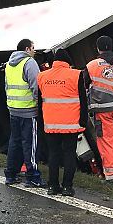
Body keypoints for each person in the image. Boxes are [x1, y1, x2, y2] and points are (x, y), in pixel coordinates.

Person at [37, 49, 88, 196]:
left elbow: (40, 101)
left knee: (53, 154)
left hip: (51, 123)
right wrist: (82, 121)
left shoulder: (42, 76)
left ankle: (52, 186)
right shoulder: (76, 74)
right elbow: (83, 100)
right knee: (69, 154)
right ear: (67, 62)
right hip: (71, 124)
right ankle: (67, 187)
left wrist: (42, 122)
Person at [83, 35, 113, 183]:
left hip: (102, 110)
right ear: (111, 46)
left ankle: (111, 176)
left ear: (98, 48)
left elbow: (84, 84)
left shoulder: (91, 66)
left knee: (106, 142)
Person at [3, 38, 46, 188]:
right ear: (27, 49)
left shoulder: (9, 64)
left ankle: (11, 174)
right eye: (33, 48)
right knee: (30, 144)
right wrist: (39, 105)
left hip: (13, 109)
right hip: (28, 110)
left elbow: (7, 86)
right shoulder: (29, 63)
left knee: (15, 142)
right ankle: (32, 176)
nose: (34, 51)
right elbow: (36, 86)